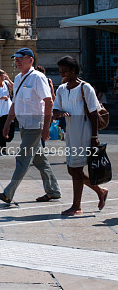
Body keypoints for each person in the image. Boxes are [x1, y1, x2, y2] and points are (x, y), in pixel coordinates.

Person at [0, 48, 61, 204]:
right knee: (40, 161)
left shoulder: (38, 77)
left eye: (21, 58)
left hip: (35, 125)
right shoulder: (18, 78)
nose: (17, 61)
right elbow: (15, 103)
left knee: (22, 158)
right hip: (24, 125)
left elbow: (49, 102)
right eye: (16, 59)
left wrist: (46, 128)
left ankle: (8, 193)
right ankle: (53, 191)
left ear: (30, 60)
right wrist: (8, 123)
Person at [53, 56, 108, 216]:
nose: (62, 74)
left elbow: (94, 114)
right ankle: (100, 191)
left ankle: (76, 206)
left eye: (65, 71)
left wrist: (94, 137)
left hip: (85, 133)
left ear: (74, 71)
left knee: (76, 169)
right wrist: (59, 113)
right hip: (71, 134)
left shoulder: (86, 88)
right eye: (60, 71)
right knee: (72, 169)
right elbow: (55, 111)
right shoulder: (61, 89)